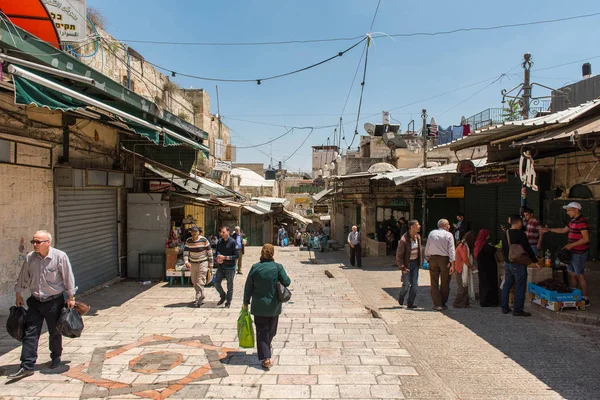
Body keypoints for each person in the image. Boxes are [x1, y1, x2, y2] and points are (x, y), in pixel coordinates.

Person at [10, 230, 76, 379]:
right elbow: (23, 277)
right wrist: (18, 294)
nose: (35, 245)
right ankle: (27, 366)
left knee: (54, 332)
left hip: (54, 301)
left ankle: (56, 357)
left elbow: (68, 277)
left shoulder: (60, 257)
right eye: (33, 241)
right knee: (30, 333)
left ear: (48, 243)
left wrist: (71, 296)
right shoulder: (30, 258)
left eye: (38, 242)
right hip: (35, 301)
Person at [243, 244, 291, 370]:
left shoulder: (255, 267)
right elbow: (287, 282)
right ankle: (266, 358)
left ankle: (266, 350)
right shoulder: (277, 267)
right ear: (273, 253)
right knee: (270, 331)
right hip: (274, 306)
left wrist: (245, 301)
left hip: (258, 306)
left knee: (262, 331)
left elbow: (248, 287)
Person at [541, 202, 590, 307]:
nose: (567, 213)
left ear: (576, 210)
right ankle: (574, 294)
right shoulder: (572, 221)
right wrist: (549, 229)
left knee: (579, 275)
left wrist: (571, 245)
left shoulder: (582, 222)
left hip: (579, 253)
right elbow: (563, 230)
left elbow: (586, 239)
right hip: (571, 252)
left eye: (569, 210)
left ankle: (585, 298)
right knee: (571, 274)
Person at [501, 215, 539, 317]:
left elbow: (503, 248)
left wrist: (506, 259)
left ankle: (504, 307)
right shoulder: (520, 234)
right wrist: (535, 260)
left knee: (507, 285)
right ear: (518, 222)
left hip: (508, 263)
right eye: (521, 223)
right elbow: (527, 248)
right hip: (518, 264)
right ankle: (518, 310)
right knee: (520, 286)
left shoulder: (506, 233)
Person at [424, 219, 456, 311]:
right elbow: (451, 250)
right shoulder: (449, 235)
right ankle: (443, 303)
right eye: (448, 224)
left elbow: (428, 246)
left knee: (434, 282)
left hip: (433, 258)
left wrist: (427, 257)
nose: (449, 226)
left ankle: (437, 304)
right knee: (445, 281)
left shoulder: (432, 233)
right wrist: (452, 263)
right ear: (445, 225)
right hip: (444, 259)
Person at [183, 226, 213, 307]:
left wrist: (211, 263)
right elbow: (185, 252)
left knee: (200, 281)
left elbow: (209, 252)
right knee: (194, 281)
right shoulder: (188, 241)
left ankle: (198, 299)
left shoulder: (204, 240)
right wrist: (186, 262)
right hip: (193, 263)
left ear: (199, 232)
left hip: (203, 262)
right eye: (192, 232)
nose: (193, 233)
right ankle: (202, 295)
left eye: (195, 232)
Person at [396, 220, 422, 309]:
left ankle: (410, 303)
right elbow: (399, 255)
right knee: (407, 285)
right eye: (417, 225)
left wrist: (420, 262)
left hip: (415, 264)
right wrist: (402, 267)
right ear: (412, 227)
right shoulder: (404, 239)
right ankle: (401, 296)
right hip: (407, 264)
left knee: (414, 285)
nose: (419, 226)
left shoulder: (418, 237)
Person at [215, 226, 240, 308]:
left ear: (228, 232)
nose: (221, 234)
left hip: (230, 267)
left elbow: (237, 255)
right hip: (221, 266)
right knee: (216, 283)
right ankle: (223, 296)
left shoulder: (233, 242)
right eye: (221, 232)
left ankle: (228, 302)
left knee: (229, 286)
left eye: (223, 232)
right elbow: (217, 252)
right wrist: (218, 258)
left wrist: (225, 258)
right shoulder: (219, 242)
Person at [474, 229, 499, 307]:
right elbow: (494, 250)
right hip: (489, 269)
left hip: (481, 269)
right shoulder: (486, 247)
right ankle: (490, 302)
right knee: (490, 284)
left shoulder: (478, 244)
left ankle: (483, 300)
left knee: (483, 284)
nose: (489, 236)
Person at [453, 231, 476, 308]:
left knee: (465, 287)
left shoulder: (462, 244)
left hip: (461, 268)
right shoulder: (463, 246)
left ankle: (465, 303)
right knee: (462, 287)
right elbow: (465, 259)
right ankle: (457, 303)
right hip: (460, 268)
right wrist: (471, 266)